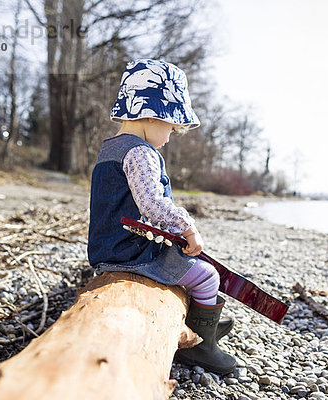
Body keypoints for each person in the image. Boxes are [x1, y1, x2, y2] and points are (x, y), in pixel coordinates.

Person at [87, 58, 236, 374]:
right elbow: (152, 204)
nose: (170, 136)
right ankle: (201, 347)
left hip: (108, 247)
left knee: (197, 268)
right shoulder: (139, 152)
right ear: (152, 116)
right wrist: (187, 226)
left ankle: (202, 326)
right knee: (208, 275)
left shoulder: (109, 149)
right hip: (131, 255)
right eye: (171, 127)